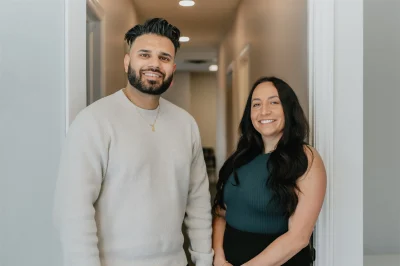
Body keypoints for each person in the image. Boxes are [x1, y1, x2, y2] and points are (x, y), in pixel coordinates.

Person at [53, 18, 213, 266]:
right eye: (145, 54)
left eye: (164, 57)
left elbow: (199, 202)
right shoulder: (94, 121)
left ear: (172, 67)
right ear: (127, 61)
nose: (154, 64)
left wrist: (204, 260)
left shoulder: (186, 124)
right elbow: (73, 212)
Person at [212, 77, 327, 266]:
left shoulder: (305, 157)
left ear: (289, 109)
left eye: (274, 102)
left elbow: (298, 237)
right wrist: (218, 257)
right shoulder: (241, 157)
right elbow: (221, 213)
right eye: (256, 104)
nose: (264, 111)